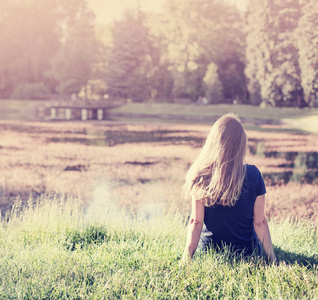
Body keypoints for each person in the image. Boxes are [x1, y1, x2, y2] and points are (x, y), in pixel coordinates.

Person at [182, 113, 276, 262]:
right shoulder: (253, 174)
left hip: (209, 253)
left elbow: (196, 221)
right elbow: (259, 222)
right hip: (246, 254)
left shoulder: (200, 173)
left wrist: (186, 259)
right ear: (240, 145)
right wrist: (273, 259)